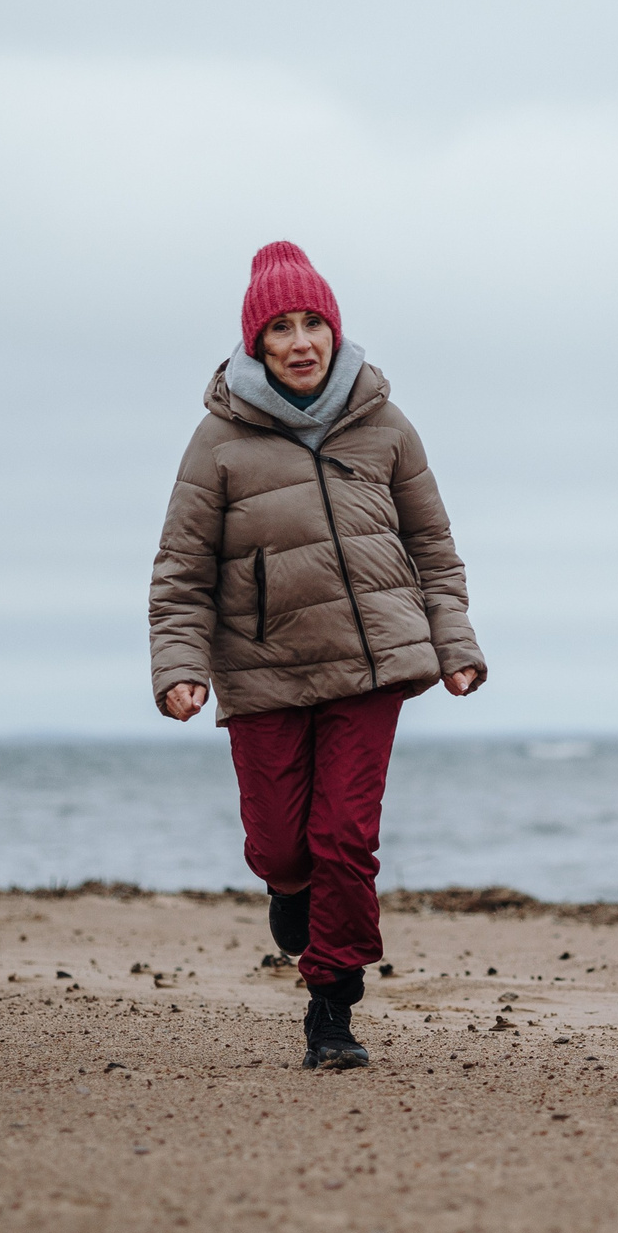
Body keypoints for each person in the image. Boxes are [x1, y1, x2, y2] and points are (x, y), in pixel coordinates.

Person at [149, 242, 486, 1069]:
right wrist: (180, 666)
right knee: (280, 846)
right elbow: (182, 568)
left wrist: (455, 644)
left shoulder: (386, 425)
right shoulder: (217, 440)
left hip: (373, 664)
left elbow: (433, 547)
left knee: (344, 835)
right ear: (255, 344)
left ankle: (332, 1007)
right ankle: (287, 892)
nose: (301, 341)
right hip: (264, 671)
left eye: (314, 323)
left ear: (334, 331)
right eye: (281, 328)